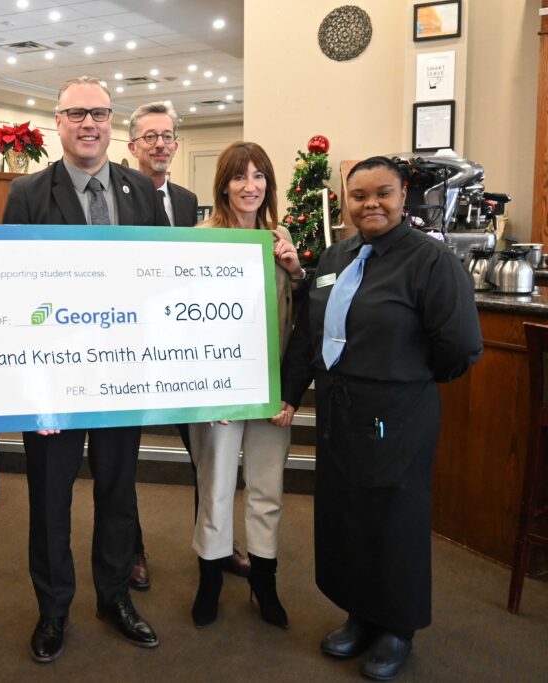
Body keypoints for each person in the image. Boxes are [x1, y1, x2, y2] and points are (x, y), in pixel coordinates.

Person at [281, 156, 482, 680]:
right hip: (340, 412)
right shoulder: (334, 257)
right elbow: (309, 332)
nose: (371, 204)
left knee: (394, 518)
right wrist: (290, 392)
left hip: (398, 412)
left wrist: (405, 379)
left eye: (383, 193)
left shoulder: (430, 261)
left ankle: (397, 626)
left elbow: (459, 345)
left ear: (403, 196)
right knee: (347, 512)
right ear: (345, 201)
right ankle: (360, 614)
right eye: (359, 195)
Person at [2, 76, 169, 663]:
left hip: (123, 376)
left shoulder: (140, 191)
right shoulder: (27, 192)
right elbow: (13, 292)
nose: (89, 124)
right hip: (55, 379)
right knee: (50, 501)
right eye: (77, 114)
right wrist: (31, 390)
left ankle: (115, 596)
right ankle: (53, 611)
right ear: (59, 123)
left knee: (119, 494)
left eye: (98, 112)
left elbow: (163, 276)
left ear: (111, 121)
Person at [126, 102, 252, 586]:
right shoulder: (119, 195)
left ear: (176, 145)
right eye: (149, 136)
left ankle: (217, 542)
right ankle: (132, 549)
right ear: (133, 145)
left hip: (185, 349)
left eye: (167, 136)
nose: (160, 144)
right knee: (125, 458)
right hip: (135, 347)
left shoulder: (186, 199)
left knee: (207, 452)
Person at [186, 142, 306, 630]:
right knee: (214, 486)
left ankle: (264, 581)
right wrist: (205, 390)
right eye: (240, 177)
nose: (250, 186)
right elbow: (185, 319)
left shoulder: (278, 239)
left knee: (267, 486)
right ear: (223, 185)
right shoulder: (202, 238)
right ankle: (210, 579)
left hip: (270, 387)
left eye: (259, 177)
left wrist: (296, 270)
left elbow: (297, 316)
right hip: (219, 388)